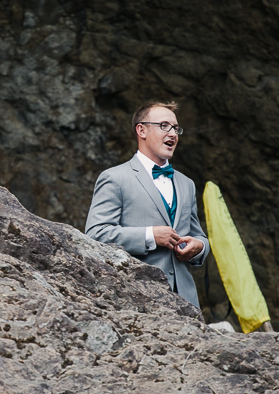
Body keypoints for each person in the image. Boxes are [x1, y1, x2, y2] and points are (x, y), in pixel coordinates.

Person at [85, 101, 211, 307]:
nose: (173, 134)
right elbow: (95, 235)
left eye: (176, 128)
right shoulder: (114, 178)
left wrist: (199, 247)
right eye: (164, 126)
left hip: (187, 303)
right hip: (136, 298)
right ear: (141, 130)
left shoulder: (186, 184)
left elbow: (199, 237)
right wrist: (150, 236)